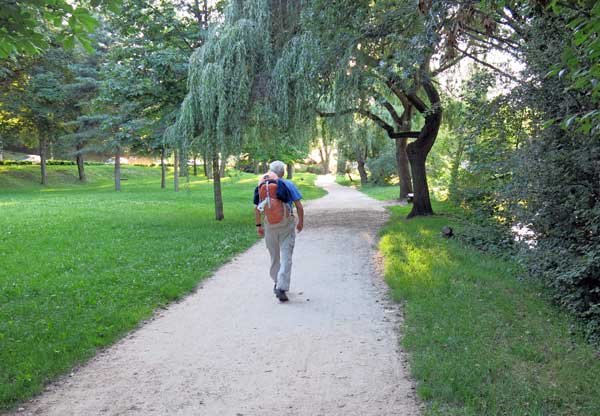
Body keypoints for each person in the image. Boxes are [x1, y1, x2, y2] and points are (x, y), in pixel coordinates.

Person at [254, 160, 304, 302]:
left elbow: (256, 208)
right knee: (286, 255)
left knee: (274, 256)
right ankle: (282, 287)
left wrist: (259, 226)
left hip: (270, 225)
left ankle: (277, 282)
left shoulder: (262, 185)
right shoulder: (288, 184)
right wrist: (300, 222)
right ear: (283, 172)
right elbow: (299, 206)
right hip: (286, 225)